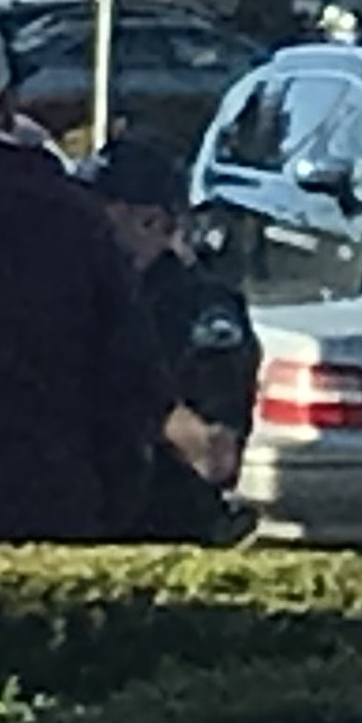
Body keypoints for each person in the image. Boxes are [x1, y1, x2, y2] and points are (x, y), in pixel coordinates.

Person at [0, 13, 170, 542]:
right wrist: (105, 505)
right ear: (5, 102)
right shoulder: (69, 218)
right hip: (42, 510)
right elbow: (132, 381)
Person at [83, 135, 259, 545]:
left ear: (152, 223)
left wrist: (135, 400)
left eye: (99, 215)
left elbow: (214, 453)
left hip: (165, 527)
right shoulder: (81, 296)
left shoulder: (201, 311)